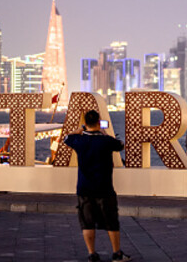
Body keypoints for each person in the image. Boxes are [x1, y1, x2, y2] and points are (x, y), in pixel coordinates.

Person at [64, 110, 131, 262]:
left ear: (86, 123)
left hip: (84, 188)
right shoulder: (106, 141)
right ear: (99, 122)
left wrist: (80, 130)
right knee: (111, 221)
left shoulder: (79, 141)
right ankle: (117, 254)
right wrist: (104, 133)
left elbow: (66, 138)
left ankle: (92, 254)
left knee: (87, 223)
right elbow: (121, 145)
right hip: (105, 188)